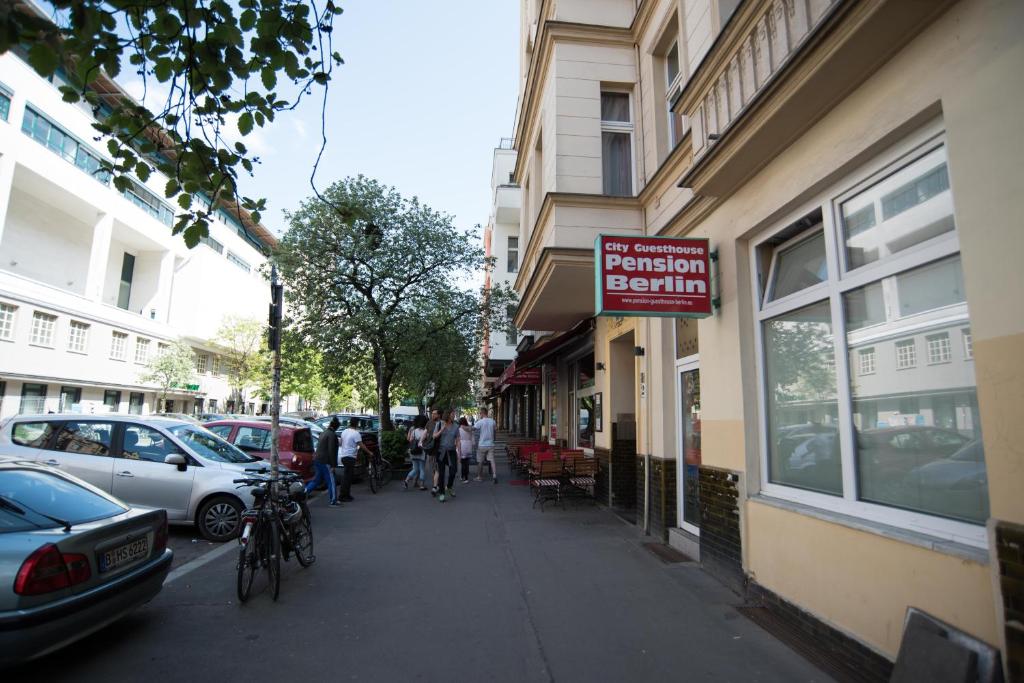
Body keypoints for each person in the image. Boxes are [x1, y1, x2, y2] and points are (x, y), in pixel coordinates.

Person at [337, 416, 373, 502]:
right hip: (350, 457)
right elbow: (361, 445)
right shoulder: (356, 434)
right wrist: (369, 452)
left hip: (343, 456)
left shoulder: (344, 431)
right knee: (347, 477)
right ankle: (343, 496)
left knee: (347, 477)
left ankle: (346, 494)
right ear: (357, 424)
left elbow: (340, 443)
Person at [306, 416, 340, 506]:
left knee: (316, 480)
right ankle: (333, 501)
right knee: (331, 481)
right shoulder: (332, 435)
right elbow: (331, 450)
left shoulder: (324, 433)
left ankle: (304, 493)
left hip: (318, 459)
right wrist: (333, 465)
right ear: (336, 427)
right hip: (326, 461)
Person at [433, 411, 459, 502]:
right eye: (452, 414)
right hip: (441, 452)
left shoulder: (456, 426)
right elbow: (434, 436)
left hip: (451, 451)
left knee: (453, 471)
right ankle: (442, 493)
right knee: (442, 473)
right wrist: (441, 430)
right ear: (447, 415)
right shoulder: (439, 424)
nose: (454, 416)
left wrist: (459, 452)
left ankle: (449, 486)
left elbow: (458, 439)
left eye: (454, 414)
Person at [404, 414, 429, 491]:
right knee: (422, 469)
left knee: (415, 469)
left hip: (413, 451)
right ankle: (422, 485)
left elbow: (410, 440)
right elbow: (427, 441)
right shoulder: (426, 431)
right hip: (422, 451)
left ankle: (406, 480)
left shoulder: (414, 431)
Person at [474, 407, 498, 484]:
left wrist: (463, 427)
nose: (479, 414)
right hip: (491, 444)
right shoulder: (493, 421)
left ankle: (479, 477)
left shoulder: (480, 422)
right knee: (492, 460)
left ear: (482, 413)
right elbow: (495, 432)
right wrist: (494, 440)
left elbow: (473, 429)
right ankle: (494, 475)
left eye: (480, 413)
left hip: (482, 445)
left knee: (480, 461)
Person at [423, 408, 441, 496]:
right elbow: (425, 433)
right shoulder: (429, 422)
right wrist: (421, 441)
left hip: (439, 450)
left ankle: (435, 486)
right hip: (430, 449)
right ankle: (436, 484)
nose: (433, 415)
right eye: (432, 413)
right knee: (433, 468)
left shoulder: (441, 423)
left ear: (439, 415)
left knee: (438, 468)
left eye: (435, 414)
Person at [456, 416, 475, 483]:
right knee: (466, 463)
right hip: (468, 445)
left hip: (462, 445)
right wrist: (472, 446)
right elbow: (472, 438)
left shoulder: (458, 429)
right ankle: (465, 476)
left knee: (463, 462)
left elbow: (457, 439)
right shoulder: (469, 428)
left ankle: (464, 477)